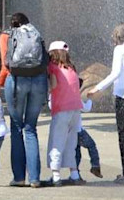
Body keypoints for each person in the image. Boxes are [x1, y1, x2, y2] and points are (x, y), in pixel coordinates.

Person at [83, 24, 124, 184]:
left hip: (123, 96)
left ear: (117, 37)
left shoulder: (119, 50)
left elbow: (115, 73)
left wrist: (97, 88)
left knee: (123, 135)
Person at [0, 11, 48, 188]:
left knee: (17, 127)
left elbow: (6, 64)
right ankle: (35, 178)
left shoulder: (6, 35)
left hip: (17, 80)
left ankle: (19, 177)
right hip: (39, 80)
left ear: (11, 24)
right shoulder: (35, 32)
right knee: (31, 128)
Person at [43, 42, 85, 186]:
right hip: (76, 110)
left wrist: (47, 91)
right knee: (71, 143)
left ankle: (56, 176)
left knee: (57, 141)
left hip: (61, 110)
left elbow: (54, 85)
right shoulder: (72, 68)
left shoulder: (53, 68)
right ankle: (74, 174)